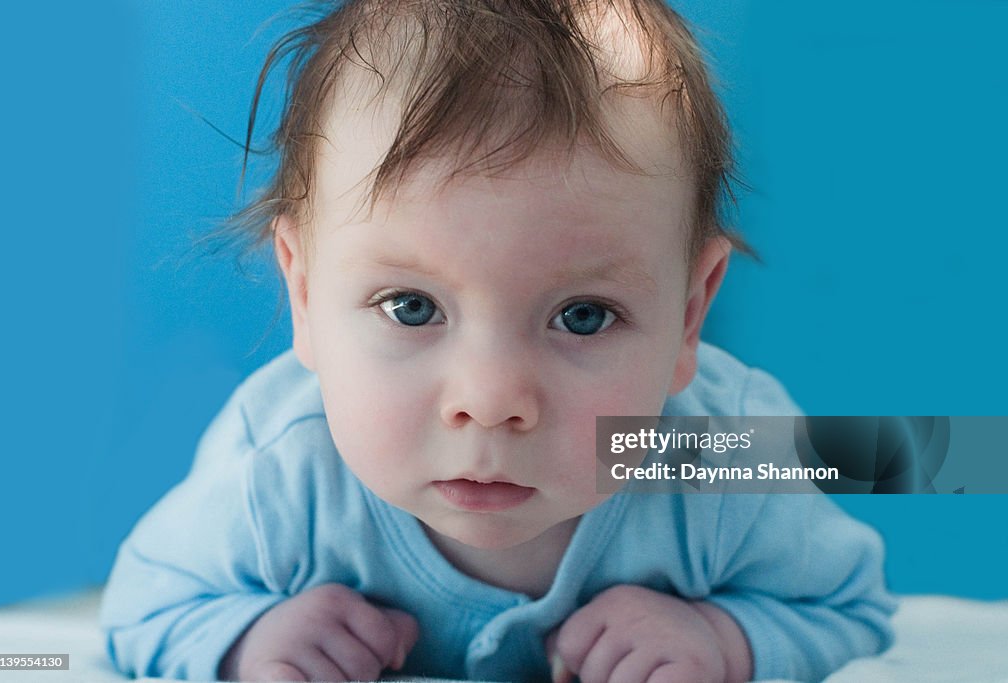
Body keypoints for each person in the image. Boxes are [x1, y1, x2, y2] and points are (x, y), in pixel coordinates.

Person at [100, 1, 895, 681]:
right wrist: (244, 642)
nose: (490, 400)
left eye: (583, 315)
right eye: (411, 307)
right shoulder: (277, 473)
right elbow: (144, 605)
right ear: (304, 297)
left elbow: (853, 607)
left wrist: (726, 640)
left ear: (690, 316)